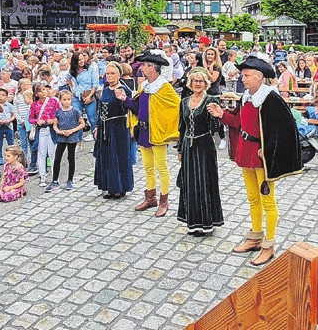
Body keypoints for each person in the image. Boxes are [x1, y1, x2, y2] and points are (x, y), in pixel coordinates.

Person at [209, 53, 302, 266]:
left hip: (262, 157)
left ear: (259, 76)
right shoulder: (247, 96)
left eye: (247, 75)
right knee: (252, 197)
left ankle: (269, 245)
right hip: (246, 151)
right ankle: (255, 237)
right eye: (243, 75)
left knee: (267, 200)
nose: (243, 78)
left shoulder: (270, 98)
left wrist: (267, 147)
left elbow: (284, 128)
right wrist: (220, 114)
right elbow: (239, 122)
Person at [120, 50, 180, 217]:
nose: (141, 68)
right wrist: (125, 99)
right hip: (144, 131)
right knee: (147, 167)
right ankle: (150, 197)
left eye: (144, 65)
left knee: (162, 167)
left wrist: (167, 125)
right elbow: (137, 108)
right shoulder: (144, 86)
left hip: (158, 132)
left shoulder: (164, 87)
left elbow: (177, 106)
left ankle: (164, 201)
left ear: (153, 67)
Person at [176, 68, 224, 236]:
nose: (197, 84)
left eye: (201, 81)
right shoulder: (184, 102)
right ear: (190, 83)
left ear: (206, 83)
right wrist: (180, 149)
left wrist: (215, 116)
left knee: (204, 182)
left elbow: (216, 130)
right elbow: (182, 128)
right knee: (190, 184)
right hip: (188, 148)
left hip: (204, 146)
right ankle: (193, 222)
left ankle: (206, 223)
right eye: (195, 81)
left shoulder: (210, 100)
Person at [94, 63, 135, 200]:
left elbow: (130, 108)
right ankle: (109, 186)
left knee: (117, 157)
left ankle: (120, 187)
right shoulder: (105, 89)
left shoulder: (123, 89)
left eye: (112, 73)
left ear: (118, 75)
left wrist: (123, 99)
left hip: (118, 127)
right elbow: (100, 110)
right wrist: (96, 127)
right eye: (108, 73)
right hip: (105, 126)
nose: (109, 76)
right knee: (106, 157)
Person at [47, 89, 84, 192]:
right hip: (62, 138)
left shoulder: (75, 111)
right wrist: (59, 131)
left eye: (68, 99)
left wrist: (73, 130)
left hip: (72, 138)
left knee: (71, 158)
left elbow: (82, 123)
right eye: (64, 99)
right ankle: (55, 180)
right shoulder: (58, 112)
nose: (67, 101)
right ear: (60, 100)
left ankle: (70, 180)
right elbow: (55, 125)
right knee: (57, 158)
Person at [28, 83, 59, 183]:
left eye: (44, 90)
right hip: (41, 130)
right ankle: (42, 175)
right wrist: (37, 121)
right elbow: (31, 118)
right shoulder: (34, 104)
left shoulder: (53, 101)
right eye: (40, 91)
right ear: (36, 93)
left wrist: (54, 119)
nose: (43, 92)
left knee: (52, 153)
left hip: (52, 129)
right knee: (41, 152)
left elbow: (59, 113)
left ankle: (55, 176)